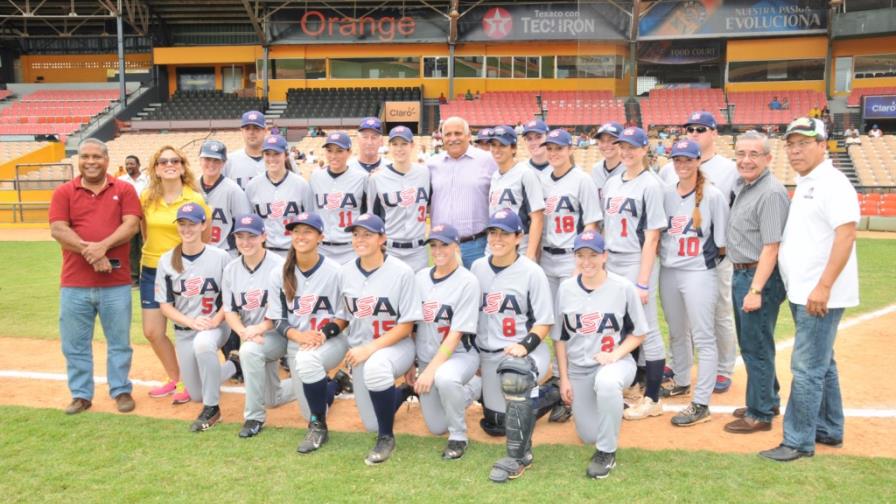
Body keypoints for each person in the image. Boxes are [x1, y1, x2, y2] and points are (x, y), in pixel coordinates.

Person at [761, 118, 859, 461]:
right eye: (791, 144)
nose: (795, 150)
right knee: (822, 363)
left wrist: (824, 286)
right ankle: (829, 429)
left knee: (806, 368)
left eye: (804, 143)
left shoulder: (833, 182)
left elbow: (846, 234)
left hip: (819, 293)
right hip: (805, 291)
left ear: (823, 144)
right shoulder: (807, 182)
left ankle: (798, 441)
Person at [49, 138, 141, 415]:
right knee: (75, 343)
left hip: (115, 283)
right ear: (78, 160)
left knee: (119, 342)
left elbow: (132, 225)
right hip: (75, 284)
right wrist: (93, 252)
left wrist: (102, 246)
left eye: (96, 157)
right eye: (85, 156)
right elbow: (58, 230)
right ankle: (80, 394)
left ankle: (121, 389)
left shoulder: (124, 189)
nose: (90, 162)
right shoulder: (64, 192)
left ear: (106, 160)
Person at [470, 209, 557, 483]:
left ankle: (519, 457)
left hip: (526, 352)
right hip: (490, 354)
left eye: (505, 233)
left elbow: (544, 322)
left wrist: (524, 346)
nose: (497, 238)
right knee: (497, 423)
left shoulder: (532, 272)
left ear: (519, 237)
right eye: (493, 232)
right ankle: (550, 394)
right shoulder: (477, 268)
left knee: (515, 378)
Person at [555, 231, 647, 479]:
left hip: (615, 363)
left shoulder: (623, 287)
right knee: (588, 435)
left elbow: (639, 334)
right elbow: (560, 338)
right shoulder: (565, 289)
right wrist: (563, 378)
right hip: (579, 367)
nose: (587, 261)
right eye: (581, 255)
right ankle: (612, 407)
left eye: (593, 255)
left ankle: (607, 453)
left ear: (604, 256)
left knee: (606, 383)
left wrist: (615, 354)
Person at [658, 111, 739, 394]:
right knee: (677, 324)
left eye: (701, 128)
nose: (694, 132)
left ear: (714, 132)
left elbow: (725, 231)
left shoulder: (727, 170)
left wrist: (712, 261)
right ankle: (680, 372)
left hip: (706, 262)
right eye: (689, 128)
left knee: (718, 315)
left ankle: (723, 369)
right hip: (674, 264)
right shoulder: (667, 179)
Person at [334, 213, 421, 464]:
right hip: (362, 348)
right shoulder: (345, 272)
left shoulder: (402, 272)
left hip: (396, 346)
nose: (360, 239)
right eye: (356, 234)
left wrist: (369, 349)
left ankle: (386, 438)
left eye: (368, 234)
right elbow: (343, 317)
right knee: (371, 422)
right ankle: (403, 392)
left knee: (376, 366)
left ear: (382, 238)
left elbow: (406, 326)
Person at [266, 212, 352, 453]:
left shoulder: (336, 271)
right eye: (296, 231)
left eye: (307, 231)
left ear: (320, 237)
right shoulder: (279, 273)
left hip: (330, 341)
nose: (301, 236)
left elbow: (343, 316)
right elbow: (278, 319)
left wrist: (322, 334)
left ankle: (318, 428)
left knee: (309, 370)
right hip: (297, 341)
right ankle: (335, 385)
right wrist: (299, 336)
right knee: (313, 402)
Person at [722, 130, 789, 435]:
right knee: (757, 342)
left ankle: (760, 413)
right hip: (743, 272)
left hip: (757, 276)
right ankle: (767, 398)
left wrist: (756, 289)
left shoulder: (771, 192)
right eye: (741, 154)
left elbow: (771, 247)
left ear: (768, 158)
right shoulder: (745, 185)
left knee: (755, 345)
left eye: (754, 154)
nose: (746, 160)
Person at [602, 127, 668, 420]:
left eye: (632, 147)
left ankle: (653, 397)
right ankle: (631, 384)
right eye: (623, 147)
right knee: (623, 324)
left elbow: (652, 236)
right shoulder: (613, 181)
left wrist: (643, 281)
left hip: (636, 259)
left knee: (647, 327)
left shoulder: (651, 185)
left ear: (644, 150)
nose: (626, 152)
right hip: (613, 259)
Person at [156, 203, 237, 432]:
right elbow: (164, 306)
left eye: (192, 223)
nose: (187, 229)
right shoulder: (166, 260)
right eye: (182, 224)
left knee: (203, 343)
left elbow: (230, 299)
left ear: (203, 225)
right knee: (195, 394)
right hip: (184, 331)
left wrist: (215, 320)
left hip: (215, 326)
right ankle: (233, 366)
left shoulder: (220, 256)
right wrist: (190, 321)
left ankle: (213, 410)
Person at [406, 224, 482, 459]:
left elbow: (456, 333)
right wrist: (412, 364)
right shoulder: (420, 278)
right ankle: (466, 392)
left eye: (444, 245)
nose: (438, 250)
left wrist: (429, 371)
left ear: (456, 246)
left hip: (459, 354)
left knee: (445, 378)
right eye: (434, 245)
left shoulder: (468, 281)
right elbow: (412, 325)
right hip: (427, 357)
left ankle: (458, 435)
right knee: (436, 426)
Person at [141, 145, 210, 405]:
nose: (169, 165)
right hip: (151, 269)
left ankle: (194, 380)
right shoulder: (147, 197)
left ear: (182, 166)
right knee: (152, 331)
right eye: (163, 161)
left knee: (188, 330)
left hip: (184, 271)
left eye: (175, 161)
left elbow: (204, 236)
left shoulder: (195, 198)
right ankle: (176, 378)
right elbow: (144, 232)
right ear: (156, 168)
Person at [221, 214, 295, 438]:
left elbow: (285, 312)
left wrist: (257, 330)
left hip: (280, 333)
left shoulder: (280, 266)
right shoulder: (231, 269)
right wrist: (244, 331)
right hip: (253, 334)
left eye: (251, 236)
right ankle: (321, 382)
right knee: (273, 399)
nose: (245, 242)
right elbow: (229, 310)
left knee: (249, 351)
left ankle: (253, 417)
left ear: (264, 236)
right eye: (240, 236)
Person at [428, 116, 498, 269]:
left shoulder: (488, 161)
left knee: (479, 290)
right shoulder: (432, 164)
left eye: (458, 133)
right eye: (448, 134)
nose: (453, 138)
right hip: (442, 245)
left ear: (468, 136)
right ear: (442, 138)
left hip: (476, 245)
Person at [368, 126, 431, 271]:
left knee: (418, 293)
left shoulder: (425, 173)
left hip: (419, 250)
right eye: (395, 144)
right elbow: (373, 217)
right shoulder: (377, 178)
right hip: (391, 249)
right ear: (388, 146)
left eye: (404, 143)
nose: (399, 149)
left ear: (412, 145)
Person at [245, 134, 314, 257]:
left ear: (286, 155)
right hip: (264, 251)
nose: (271, 158)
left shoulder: (301, 184)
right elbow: (249, 222)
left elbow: (310, 220)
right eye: (267, 154)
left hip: (294, 251)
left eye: (276, 154)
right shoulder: (252, 186)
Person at [487, 125, 545, 261]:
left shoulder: (525, 174)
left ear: (513, 148)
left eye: (502, 145)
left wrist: (530, 254)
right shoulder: (495, 176)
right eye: (493, 145)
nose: (496, 150)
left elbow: (537, 217)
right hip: (495, 245)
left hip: (519, 247)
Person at [310, 131, 368, 264]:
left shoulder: (362, 178)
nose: (333, 156)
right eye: (329, 151)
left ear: (349, 152)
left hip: (351, 249)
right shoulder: (315, 177)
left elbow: (367, 213)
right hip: (322, 248)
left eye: (339, 151)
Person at [198, 140, 251, 256]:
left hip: (225, 252)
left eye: (216, 160)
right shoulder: (192, 187)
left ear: (223, 163)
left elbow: (244, 225)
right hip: (197, 252)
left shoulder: (234, 190)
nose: (211, 164)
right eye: (207, 159)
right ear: (200, 160)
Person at [118, 154, 147, 285]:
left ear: (138, 165)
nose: (129, 166)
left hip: (145, 219)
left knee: (144, 247)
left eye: (132, 164)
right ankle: (134, 278)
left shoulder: (148, 180)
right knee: (131, 249)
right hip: (128, 219)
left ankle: (144, 276)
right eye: (127, 164)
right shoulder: (121, 180)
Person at [224, 110, 267, 190]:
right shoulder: (229, 161)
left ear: (265, 131)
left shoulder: (278, 159)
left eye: (256, 128)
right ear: (242, 131)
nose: (251, 132)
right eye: (247, 129)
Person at [591, 122, 625, 209]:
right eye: (602, 141)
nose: (606, 145)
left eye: (611, 140)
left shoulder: (631, 169)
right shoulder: (596, 169)